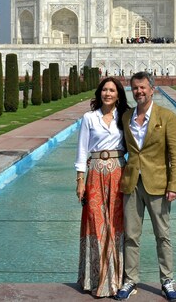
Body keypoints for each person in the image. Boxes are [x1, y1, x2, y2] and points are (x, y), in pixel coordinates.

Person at [114, 72, 176, 301]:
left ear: (152, 89)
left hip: (158, 185)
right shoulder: (126, 117)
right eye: (135, 88)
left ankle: (167, 280)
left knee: (162, 235)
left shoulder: (167, 116)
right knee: (131, 236)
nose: (139, 92)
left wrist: (173, 185)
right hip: (132, 183)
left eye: (143, 88)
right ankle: (130, 279)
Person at [75, 77, 131, 297]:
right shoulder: (89, 118)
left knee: (117, 224)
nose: (108, 93)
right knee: (96, 223)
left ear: (118, 94)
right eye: (105, 90)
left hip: (118, 170)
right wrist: (80, 179)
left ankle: (119, 280)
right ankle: (96, 278)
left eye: (112, 90)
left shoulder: (124, 117)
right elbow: (81, 150)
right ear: (99, 93)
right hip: (96, 171)